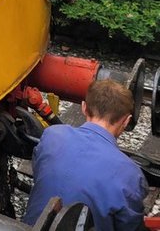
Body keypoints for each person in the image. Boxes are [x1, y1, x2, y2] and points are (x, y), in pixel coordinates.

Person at [23, 79, 147, 230]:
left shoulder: (52, 135)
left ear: (83, 107)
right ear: (126, 121)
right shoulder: (130, 175)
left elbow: (39, 173)